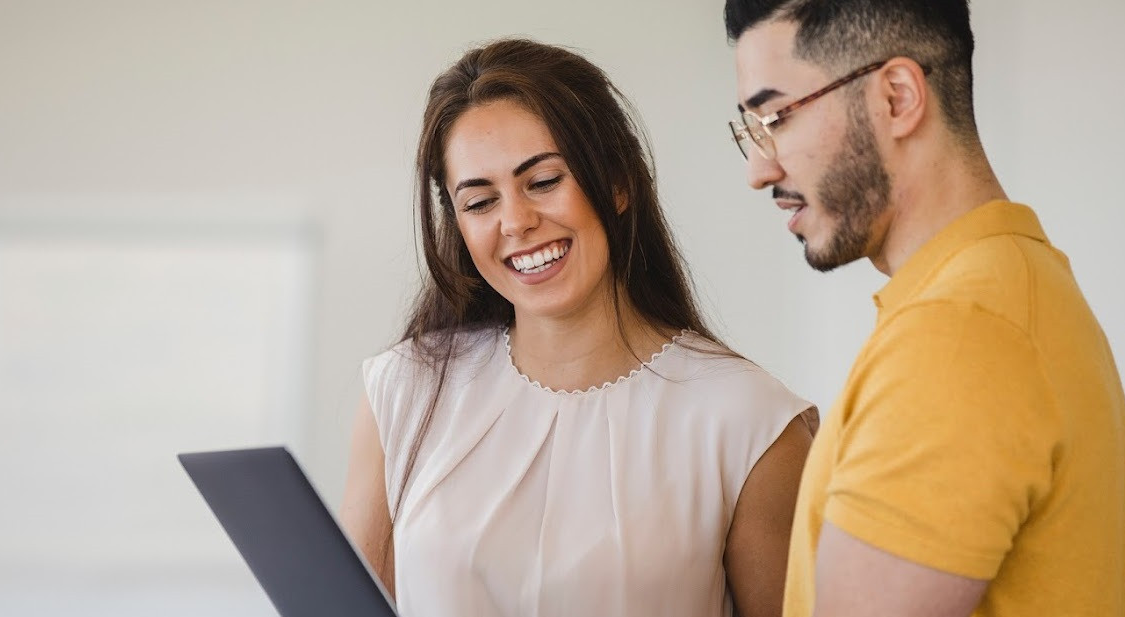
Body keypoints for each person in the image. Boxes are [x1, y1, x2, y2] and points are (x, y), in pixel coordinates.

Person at [340, 38, 817, 617]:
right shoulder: (405, 389)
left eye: (543, 182)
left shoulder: (750, 423)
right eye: (480, 201)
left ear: (617, 182)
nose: (515, 222)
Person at [722, 1, 1125, 615]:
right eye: (751, 130)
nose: (760, 170)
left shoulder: (958, 339)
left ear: (896, 97)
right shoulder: (1015, 285)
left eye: (776, 116)